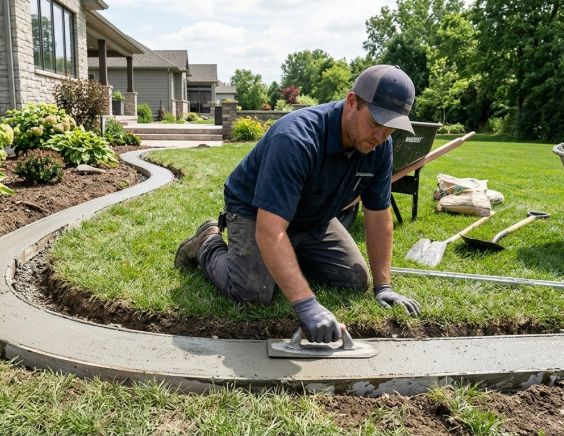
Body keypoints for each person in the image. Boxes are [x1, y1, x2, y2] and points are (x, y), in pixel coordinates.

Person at [175, 65, 421, 343]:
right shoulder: (295, 138)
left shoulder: (379, 146)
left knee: (353, 280)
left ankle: (286, 253)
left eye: (390, 130)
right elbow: (270, 229)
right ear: (352, 102)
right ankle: (208, 241)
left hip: (314, 214)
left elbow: (378, 215)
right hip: (255, 210)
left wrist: (383, 287)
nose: (380, 136)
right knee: (254, 293)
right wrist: (305, 303)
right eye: (376, 123)